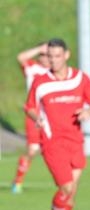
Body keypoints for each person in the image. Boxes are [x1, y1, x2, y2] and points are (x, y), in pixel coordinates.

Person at [24, 38, 90, 210]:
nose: (53, 60)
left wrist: (88, 111)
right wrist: (37, 118)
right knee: (67, 188)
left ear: (66, 55)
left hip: (76, 141)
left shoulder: (80, 79)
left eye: (57, 56)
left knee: (71, 193)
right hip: (52, 143)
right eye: (50, 56)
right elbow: (30, 107)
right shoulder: (41, 82)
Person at [11, 42, 51, 194]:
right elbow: (20, 57)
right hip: (34, 114)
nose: (45, 57)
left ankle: (63, 181)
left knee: (55, 149)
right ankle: (18, 181)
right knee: (33, 150)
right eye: (43, 54)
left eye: (47, 54)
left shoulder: (56, 72)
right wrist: (39, 48)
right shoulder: (32, 68)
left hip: (52, 115)